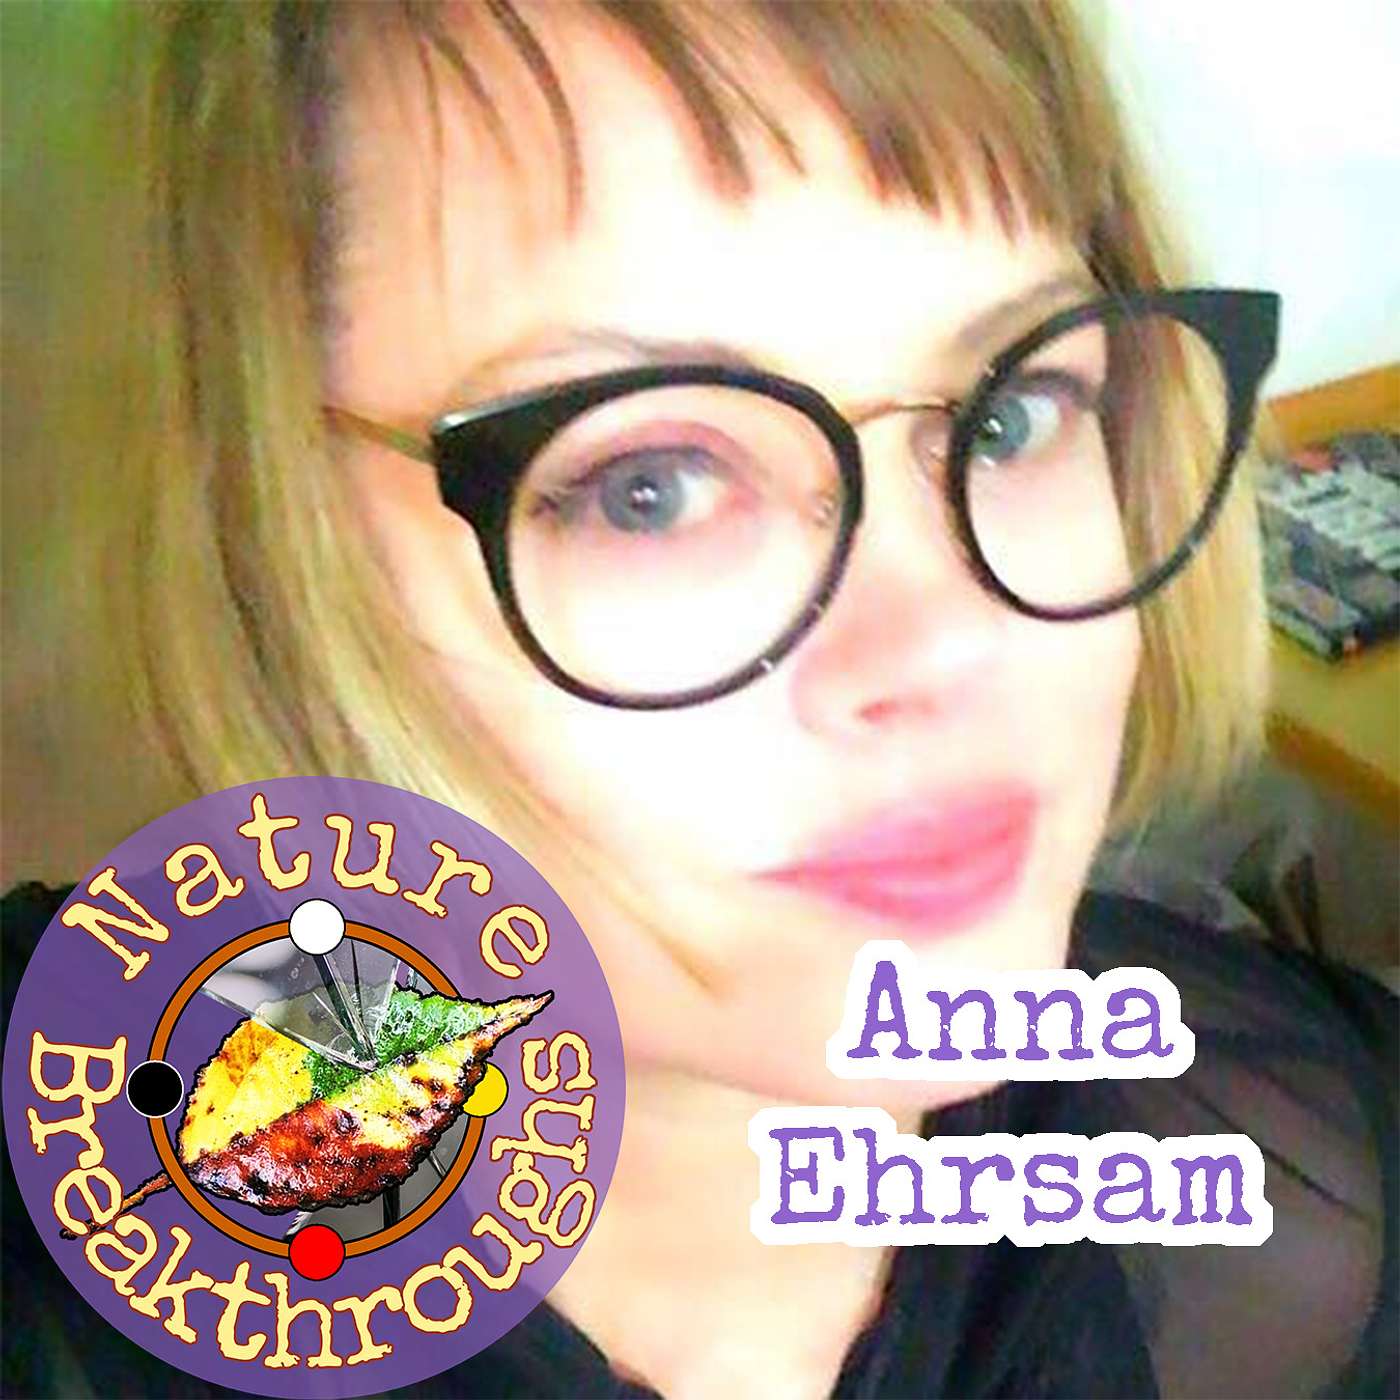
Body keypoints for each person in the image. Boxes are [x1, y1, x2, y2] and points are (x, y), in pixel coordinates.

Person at [2, 2, 1394, 1397]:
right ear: (251, 546)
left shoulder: (1291, 1189)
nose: (956, 648)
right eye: (647, 488)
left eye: (1011, 411)